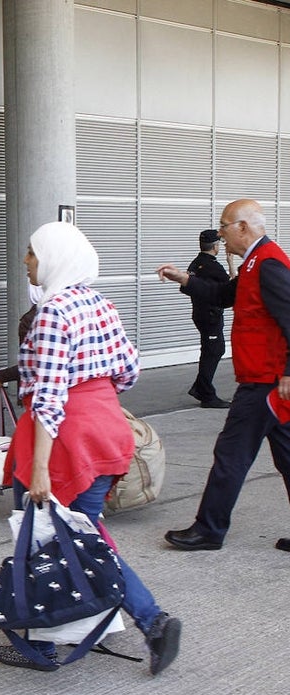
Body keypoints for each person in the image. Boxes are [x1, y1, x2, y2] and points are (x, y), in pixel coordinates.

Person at [0, 221, 180, 675]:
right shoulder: (100, 304)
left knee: (43, 543)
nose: (26, 262)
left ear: (54, 258)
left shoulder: (54, 311)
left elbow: (48, 398)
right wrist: (94, 393)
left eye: (32, 254)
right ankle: (148, 621)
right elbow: (129, 371)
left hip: (64, 441)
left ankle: (42, 644)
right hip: (104, 428)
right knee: (84, 538)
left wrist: (38, 468)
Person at [156, 198, 290, 552]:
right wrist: (185, 278)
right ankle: (209, 528)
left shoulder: (269, 264)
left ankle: (209, 530)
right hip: (266, 380)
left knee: (231, 453)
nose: (220, 234)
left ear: (243, 227)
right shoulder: (253, 264)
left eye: (224, 226)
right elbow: (221, 294)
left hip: (267, 382)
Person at [181, 228, 231, 409]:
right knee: (214, 350)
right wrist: (231, 262)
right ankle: (206, 393)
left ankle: (201, 388)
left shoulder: (195, 263)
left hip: (200, 314)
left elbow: (187, 286)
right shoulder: (213, 266)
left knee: (212, 350)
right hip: (210, 315)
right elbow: (231, 287)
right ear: (216, 246)